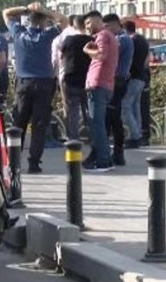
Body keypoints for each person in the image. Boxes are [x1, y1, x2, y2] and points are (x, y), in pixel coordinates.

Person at [2, 2, 68, 174]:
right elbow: (63, 20)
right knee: (39, 125)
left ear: (29, 20)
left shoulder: (18, 33)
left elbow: (6, 13)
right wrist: (44, 11)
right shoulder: (48, 35)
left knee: (19, 124)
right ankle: (34, 163)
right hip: (45, 84)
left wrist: (26, 8)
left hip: (24, 83)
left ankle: (14, 161)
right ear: (44, 21)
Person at [82, 11, 119, 172]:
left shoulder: (103, 35)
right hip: (105, 84)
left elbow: (101, 55)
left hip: (97, 84)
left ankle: (104, 160)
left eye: (89, 22)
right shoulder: (110, 37)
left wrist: (86, 50)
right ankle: (100, 157)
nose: (88, 27)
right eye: (85, 25)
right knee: (98, 124)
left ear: (98, 20)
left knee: (97, 124)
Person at [53, 14, 93, 141]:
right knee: (89, 110)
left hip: (70, 78)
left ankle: (73, 137)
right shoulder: (91, 40)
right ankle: (93, 136)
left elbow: (60, 58)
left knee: (72, 110)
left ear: (74, 25)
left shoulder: (68, 40)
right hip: (87, 79)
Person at [103, 14, 133, 166]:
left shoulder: (121, 40)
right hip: (117, 80)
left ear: (115, 25)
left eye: (106, 26)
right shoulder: (123, 39)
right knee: (113, 118)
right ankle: (115, 153)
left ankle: (115, 153)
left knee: (112, 117)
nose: (105, 30)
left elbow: (107, 54)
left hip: (117, 81)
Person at [121, 20, 149, 149]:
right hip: (142, 77)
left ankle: (135, 135)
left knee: (125, 106)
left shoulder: (130, 41)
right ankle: (138, 133)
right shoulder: (143, 40)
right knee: (135, 106)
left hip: (133, 77)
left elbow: (129, 60)